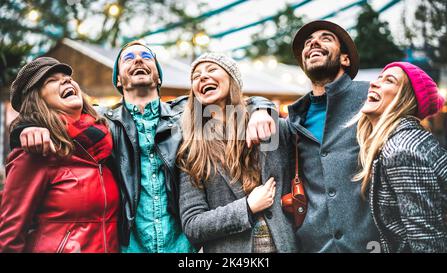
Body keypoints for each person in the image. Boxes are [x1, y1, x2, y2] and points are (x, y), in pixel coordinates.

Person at [12, 42, 277, 252]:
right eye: (128, 58)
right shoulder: (103, 123)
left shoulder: (189, 116)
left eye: (146, 57)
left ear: (158, 77)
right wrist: (24, 129)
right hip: (129, 247)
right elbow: (57, 121)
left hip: (184, 248)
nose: (138, 60)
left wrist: (262, 109)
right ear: (118, 81)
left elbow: (234, 101)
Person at [177, 52, 298, 253]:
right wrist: (247, 207)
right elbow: (193, 225)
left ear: (232, 79)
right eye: (196, 76)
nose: (202, 77)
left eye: (212, 69)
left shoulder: (272, 126)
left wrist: (264, 108)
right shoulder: (191, 148)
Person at [0, 57, 120, 253]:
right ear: (37, 100)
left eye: (67, 77)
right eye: (51, 80)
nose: (66, 80)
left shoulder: (103, 144)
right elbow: (10, 237)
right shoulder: (35, 151)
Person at [288, 20, 380, 252]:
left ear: (345, 59)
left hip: (372, 244)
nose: (313, 43)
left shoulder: (372, 96)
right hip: (314, 245)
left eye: (325, 38)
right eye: (308, 43)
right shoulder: (294, 119)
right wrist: (261, 107)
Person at [353, 62, 447, 252]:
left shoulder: (402, 150)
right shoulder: (402, 141)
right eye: (378, 78)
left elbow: (427, 243)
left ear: (406, 99)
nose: (373, 84)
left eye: (389, 80)